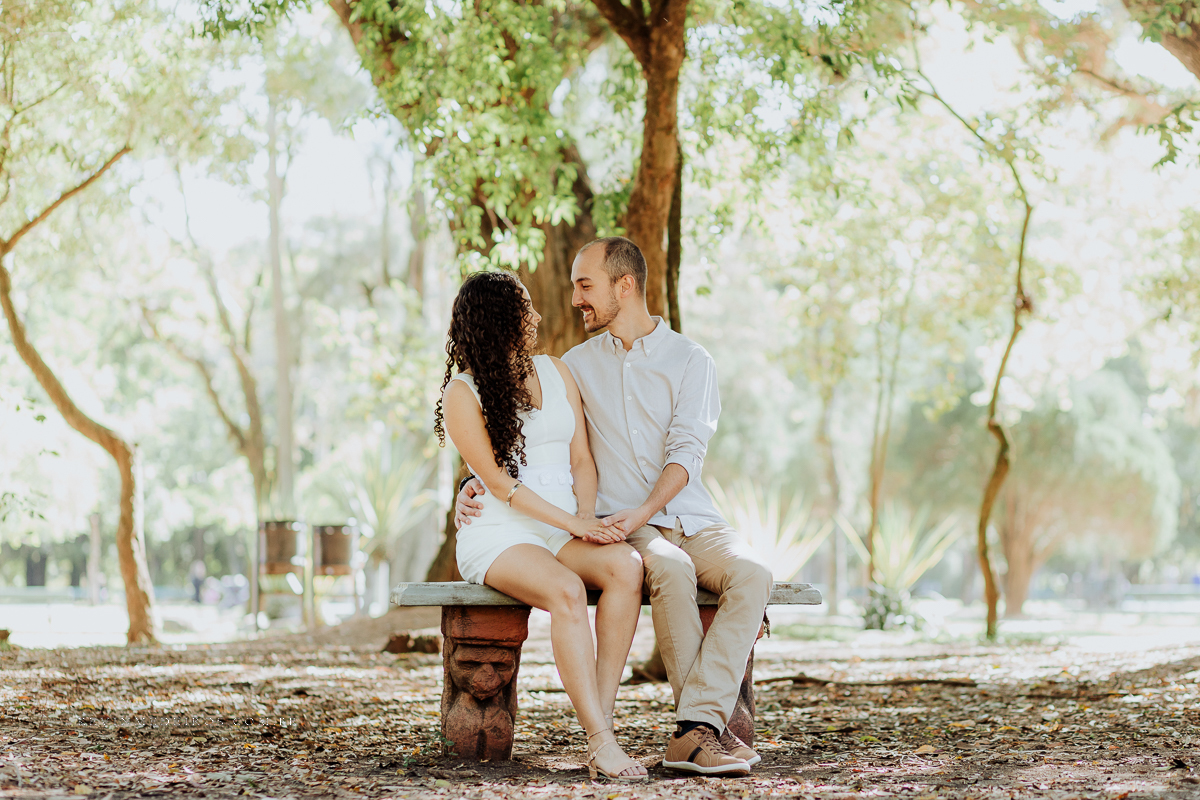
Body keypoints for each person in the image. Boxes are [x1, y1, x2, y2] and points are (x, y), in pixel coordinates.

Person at [457, 237, 773, 777]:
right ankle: (653, 736)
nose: (571, 300)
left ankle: (686, 728)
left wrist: (613, 515)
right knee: (654, 572)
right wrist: (469, 486)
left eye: (586, 285)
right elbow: (507, 452)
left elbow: (668, 455)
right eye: (573, 287)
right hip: (584, 524)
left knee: (745, 575)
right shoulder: (575, 365)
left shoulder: (681, 361)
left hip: (673, 515)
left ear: (623, 285)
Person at [435, 270, 647, 782]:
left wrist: (585, 521)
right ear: (497, 319)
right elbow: (500, 484)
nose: (536, 316)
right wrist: (574, 522)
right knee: (567, 591)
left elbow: (582, 462)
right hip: (501, 532)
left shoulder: (556, 371)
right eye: (523, 307)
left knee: (625, 565)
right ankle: (600, 740)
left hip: (561, 526)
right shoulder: (463, 392)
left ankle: (602, 721)